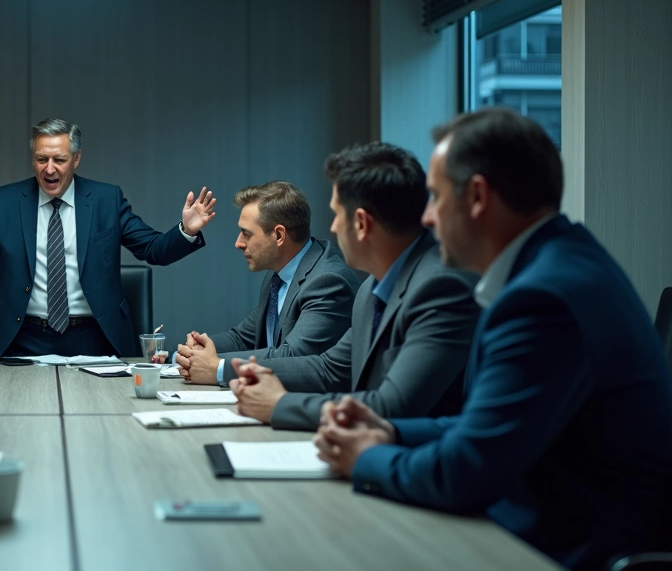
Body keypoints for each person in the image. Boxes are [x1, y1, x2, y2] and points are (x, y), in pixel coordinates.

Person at [313, 108, 672, 570]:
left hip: (563, 550)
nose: (425, 218)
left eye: (436, 198)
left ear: (478, 197)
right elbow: (483, 424)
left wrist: (365, 457)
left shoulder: (542, 299)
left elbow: (466, 472)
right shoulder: (560, 263)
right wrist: (391, 431)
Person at [0, 118, 214, 357]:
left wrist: (186, 230)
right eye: (41, 159)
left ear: (76, 159)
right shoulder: (6, 201)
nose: (49, 169)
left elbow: (153, 249)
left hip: (95, 337)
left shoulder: (106, 200)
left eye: (59, 159)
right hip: (21, 338)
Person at [227, 142, 479, 430]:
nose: (332, 228)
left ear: (361, 223)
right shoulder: (372, 288)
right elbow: (329, 369)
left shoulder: (440, 288)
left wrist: (279, 404)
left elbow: (392, 407)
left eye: (337, 215)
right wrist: (249, 373)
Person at [174, 181, 360, 385]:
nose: (238, 243)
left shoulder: (328, 281)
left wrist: (216, 367)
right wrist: (196, 349)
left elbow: (294, 356)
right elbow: (243, 339)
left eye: (247, 233)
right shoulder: (279, 275)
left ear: (279, 235)